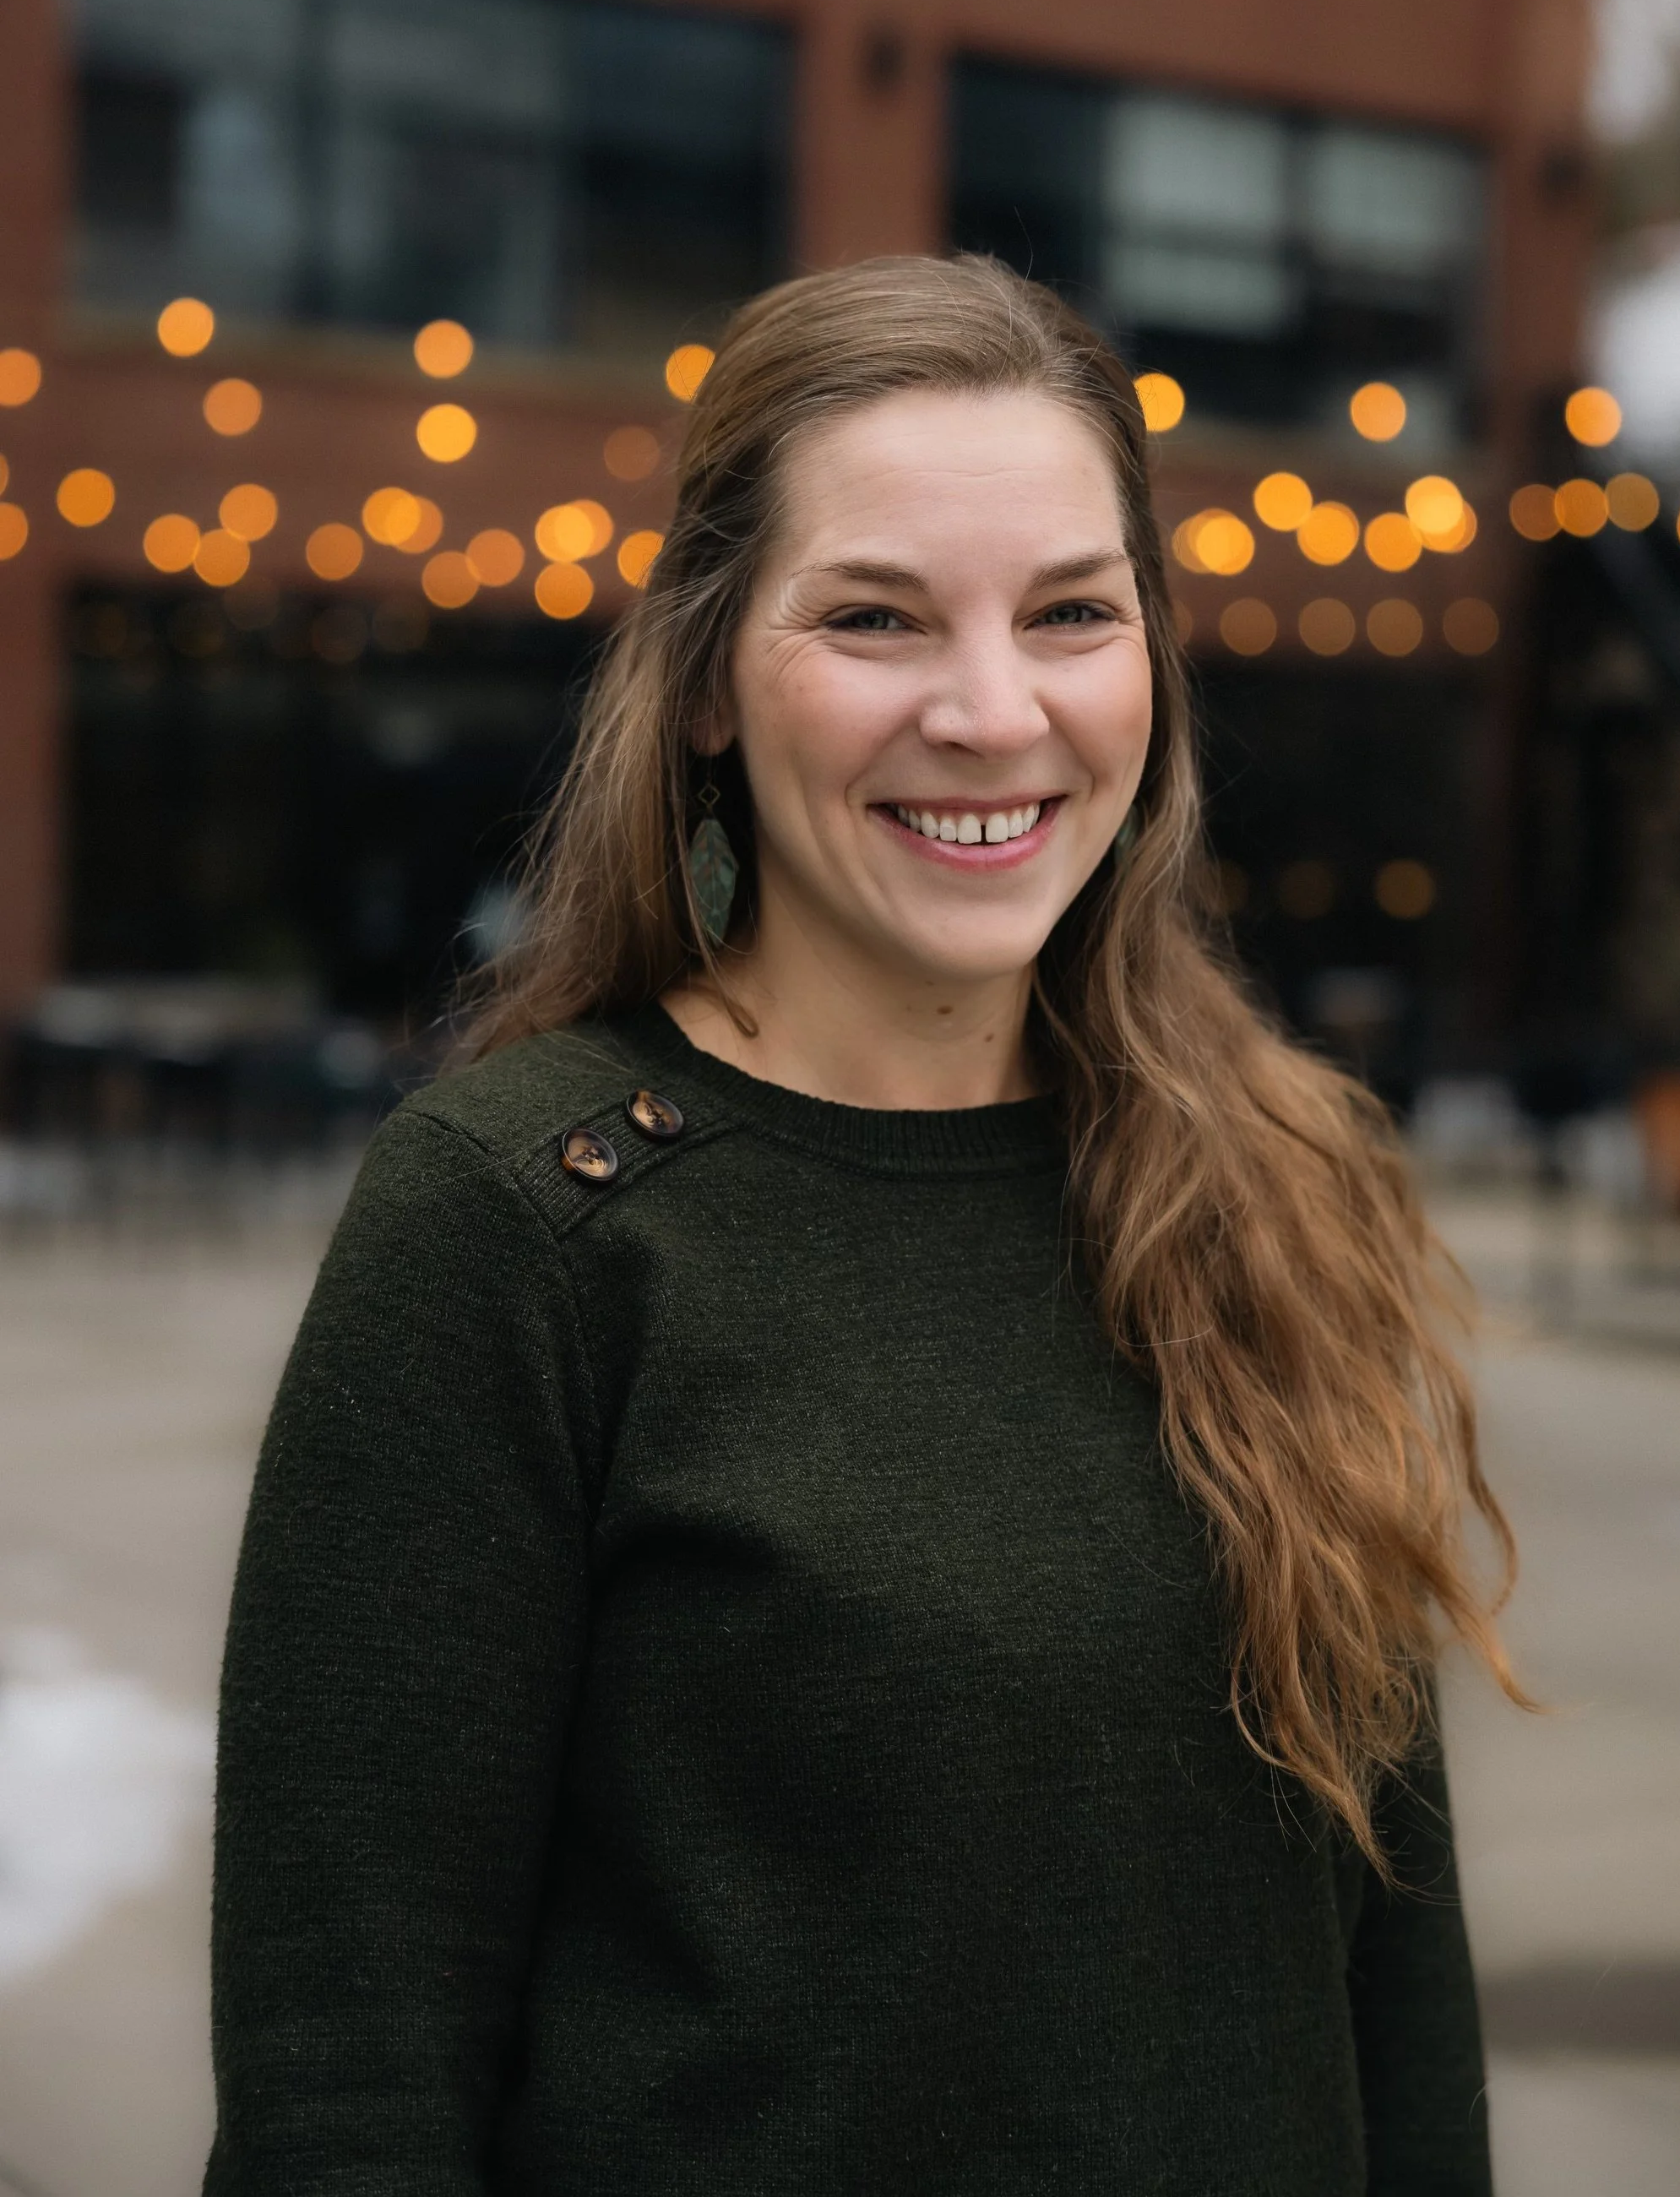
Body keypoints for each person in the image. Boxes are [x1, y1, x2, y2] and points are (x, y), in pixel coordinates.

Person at [206, 254, 1523, 2194]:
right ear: (708, 684)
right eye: (875, 617)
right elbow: (348, 2091)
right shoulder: (522, 1224)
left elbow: (1396, 1984)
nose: (992, 713)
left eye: (1070, 612)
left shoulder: (1276, 1174)